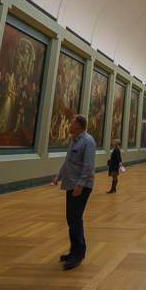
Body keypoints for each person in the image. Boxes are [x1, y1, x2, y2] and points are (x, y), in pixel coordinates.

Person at [50, 115, 96, 270]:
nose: (68, 125)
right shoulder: (75, 141)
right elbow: (68, 162)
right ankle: (74, 251)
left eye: (71, 123)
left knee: (75, 218)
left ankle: (79, 253)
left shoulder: (88, 141)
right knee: (71, 218)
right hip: (71, 184)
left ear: (78, 125)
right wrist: (58, 176)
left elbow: (88, 166)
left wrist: (80, 184)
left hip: (80, 186)